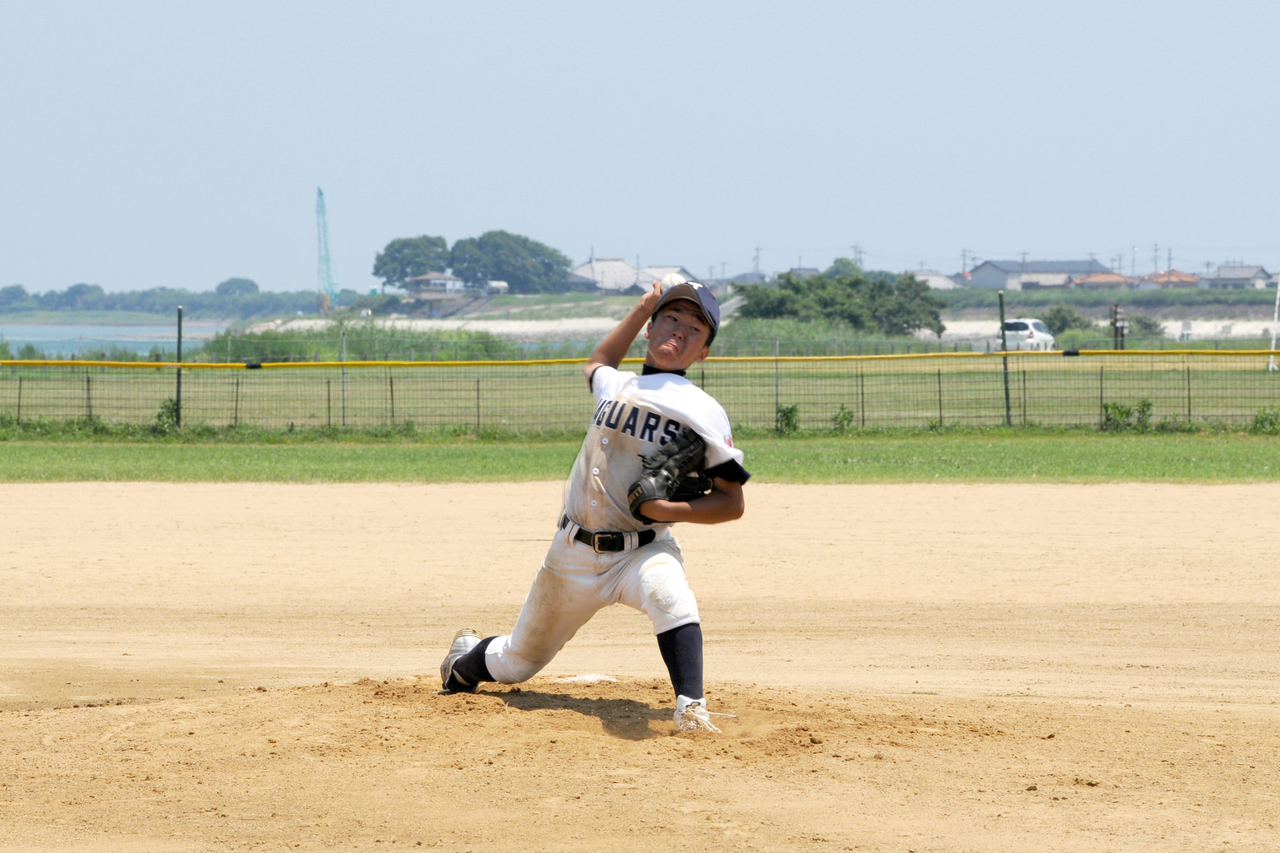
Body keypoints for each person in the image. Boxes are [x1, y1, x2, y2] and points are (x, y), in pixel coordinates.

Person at [439, 276, 749, 732]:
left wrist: (669, 513)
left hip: (642, 550)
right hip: (573, 553)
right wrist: (641, 308)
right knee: (517, 661)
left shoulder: (703, 410)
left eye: (695, 329)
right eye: (671, 317)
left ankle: (691, 708)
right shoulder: (616, 384)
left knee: (671, 596)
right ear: (651, 327)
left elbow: (732, 502)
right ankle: (463, 659)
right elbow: (599, 361)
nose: (679, 331)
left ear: (703, 352)